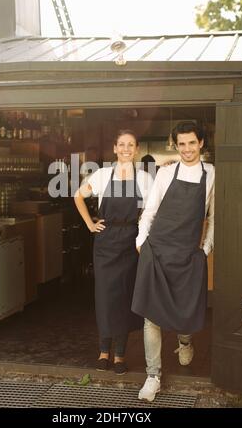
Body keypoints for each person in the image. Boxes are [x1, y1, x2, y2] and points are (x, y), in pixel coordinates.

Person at [132, 121, 215, 401]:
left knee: (185, 310)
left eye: (192, 143)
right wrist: (141, 241)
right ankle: (153, 375)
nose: (187, 149)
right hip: (156, 251)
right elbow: (150, 211)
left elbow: (213, 217)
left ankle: (184, 340)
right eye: (182, 144)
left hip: (187, 254)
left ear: (201, 143)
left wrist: (205, 248)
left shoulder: (212, 174)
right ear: (176, 145)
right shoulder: (166, 174)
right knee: (150, 317)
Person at [74, 129, 153, 375]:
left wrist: (144, 237)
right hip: (105, 241)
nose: (126, 148)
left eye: (131, 144)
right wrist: (89, 223)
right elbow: (78, 196)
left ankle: (119, 355)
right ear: (115, 149)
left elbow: (152, 212)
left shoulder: (144, 179)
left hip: (131, 241)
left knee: (125, 297)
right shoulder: (102, 175)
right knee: (105, 296)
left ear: (136, 149)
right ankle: (103, 352)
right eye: (122, 144)